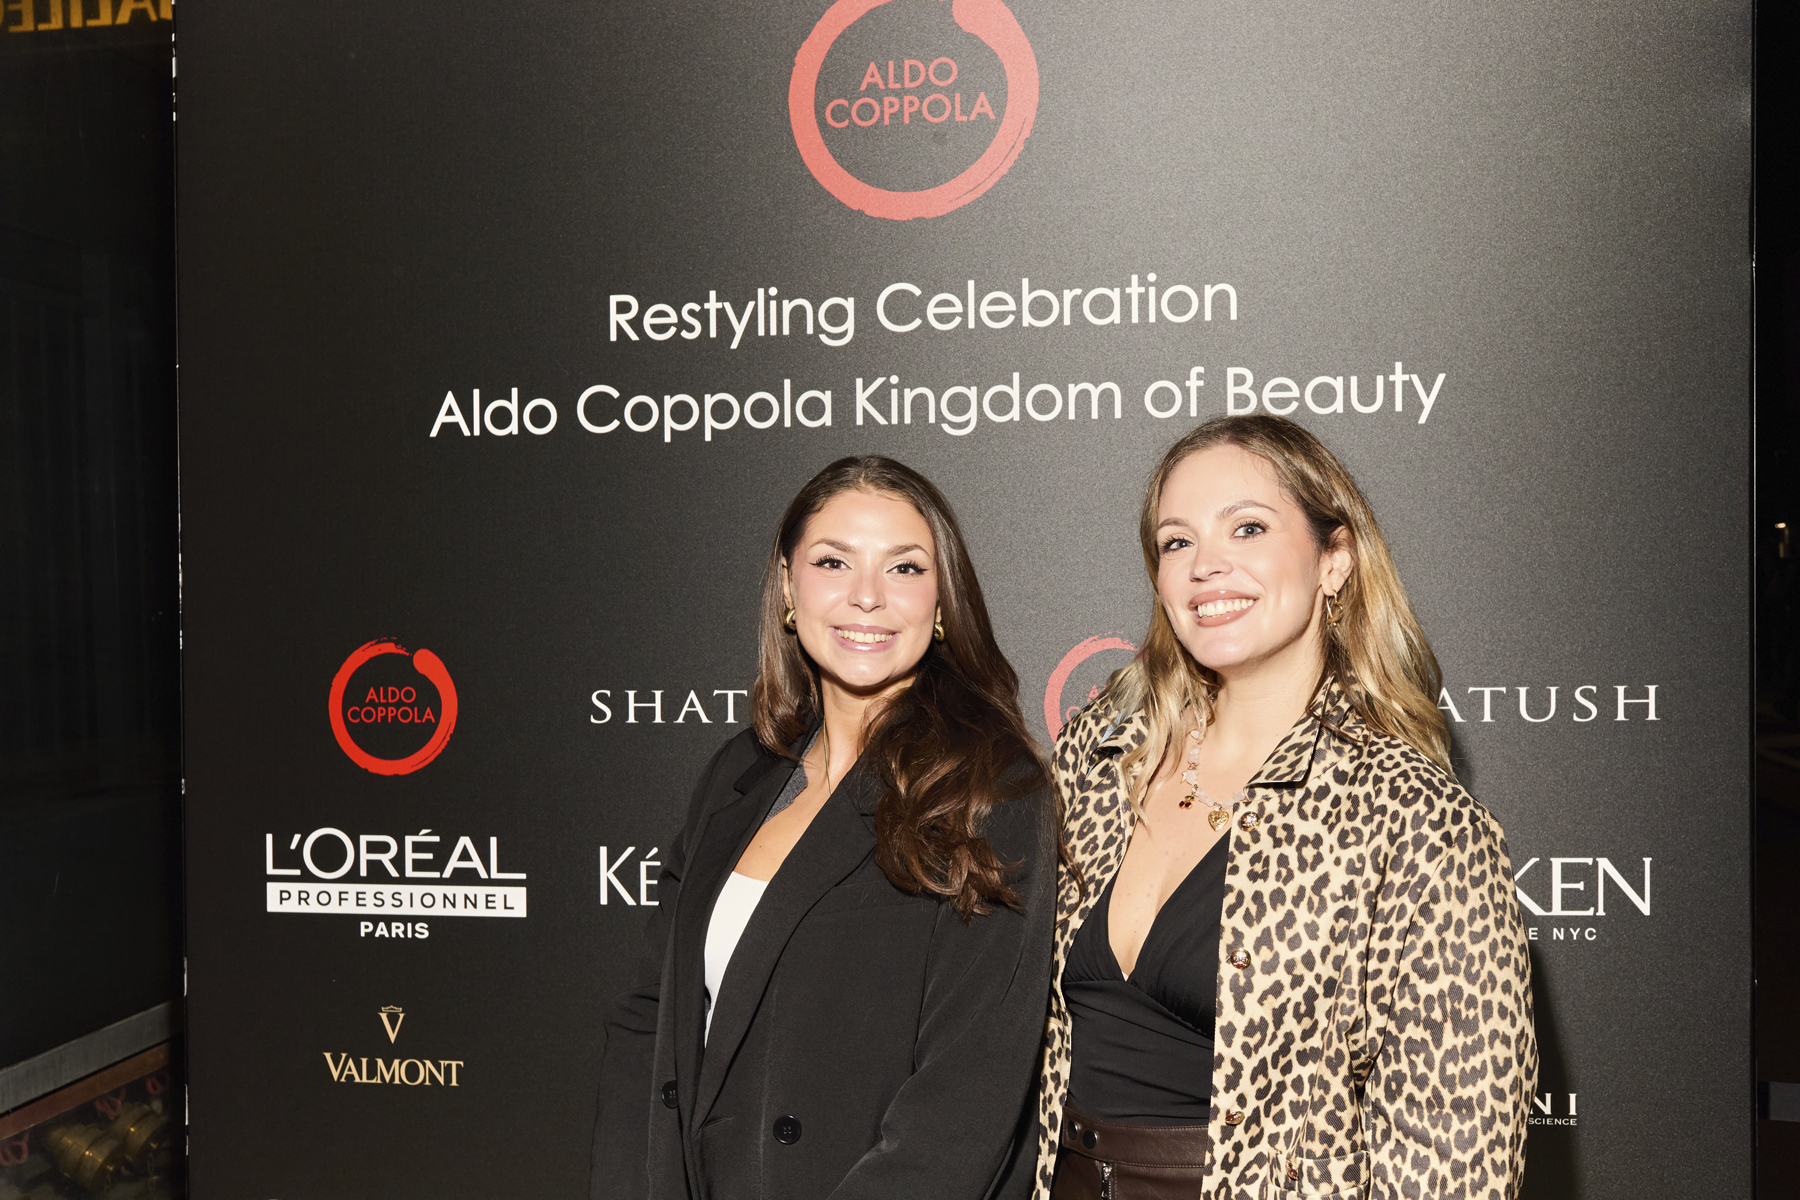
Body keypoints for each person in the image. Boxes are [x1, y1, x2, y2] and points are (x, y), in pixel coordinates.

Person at [1036, 416, 1537, 1199]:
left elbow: (1454, 1155)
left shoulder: (1412, 816)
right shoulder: (1100, 758)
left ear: (1334, 560)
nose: (1206, 565)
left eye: (1247, 528)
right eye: (1176, 542)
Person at [591, 456, 1056, 1200]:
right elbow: (651, 1024)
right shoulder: (739, 774)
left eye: (904, 568)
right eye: (833, 562)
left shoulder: (990, 789)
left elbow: (966, 1099)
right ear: (788, 586)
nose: (867, 596)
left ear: (942, 601)